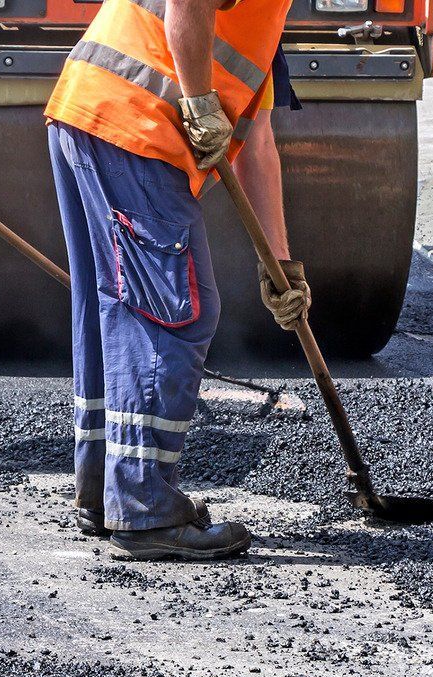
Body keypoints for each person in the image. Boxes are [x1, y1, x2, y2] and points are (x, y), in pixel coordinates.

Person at [45, 0, 304, 562]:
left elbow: (256, 141)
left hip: (93, 110)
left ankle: (105, 490)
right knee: (172, 314)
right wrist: (196, 99)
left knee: (111, 308)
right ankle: (145, 507)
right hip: (133, 126)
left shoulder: (272, 16)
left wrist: (280, 265)